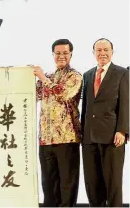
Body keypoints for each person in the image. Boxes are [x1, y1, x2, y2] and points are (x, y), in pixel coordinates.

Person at [32, 39, 82, 207]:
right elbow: (31, 95)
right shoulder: (49, 76)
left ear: (71, 55)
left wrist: (42, 78)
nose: (61, 56)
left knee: (67, 185)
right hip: (46, 139)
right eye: (58, 53)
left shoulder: (75, 76)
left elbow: (62, 93)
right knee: (48, 185)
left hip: (67, 139)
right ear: (53, 55)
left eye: (65, 53)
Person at [81, 38, 129, 207]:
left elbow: (125, 103)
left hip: (112, 137)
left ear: (112, 51)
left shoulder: (122, 73)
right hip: (89, 138)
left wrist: (122, 130)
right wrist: (83, 134)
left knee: (113, 184)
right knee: (92, 184)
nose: (102, 53)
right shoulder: (87, 75)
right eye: (98, 50)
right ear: (93, 53)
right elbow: (86, 107)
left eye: (106, 49)